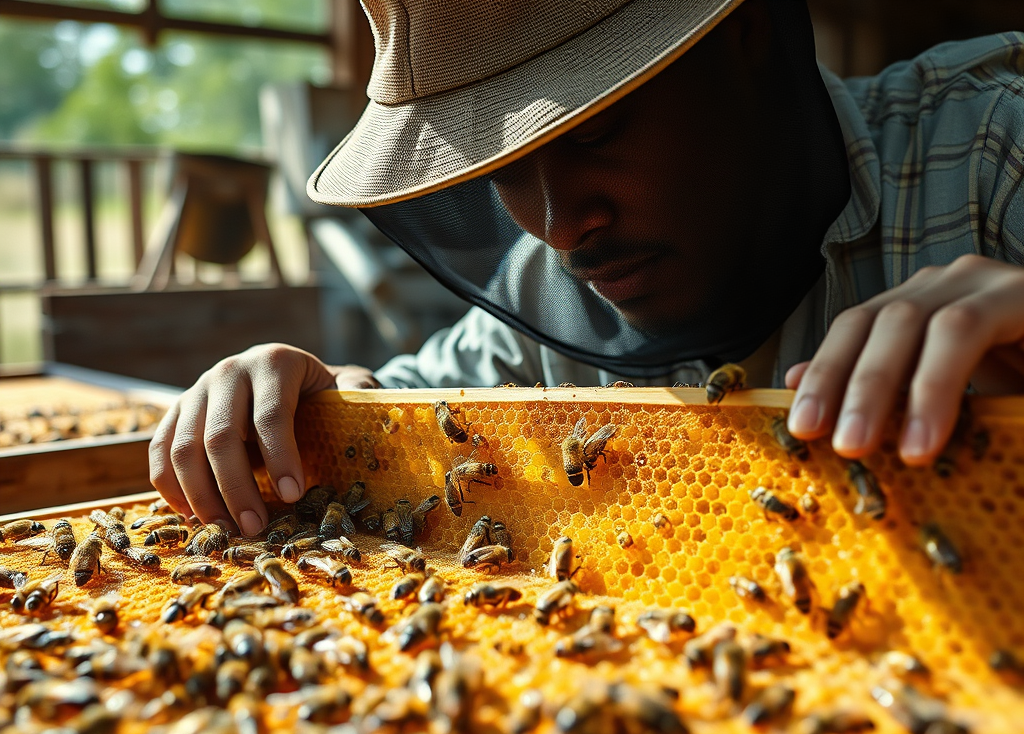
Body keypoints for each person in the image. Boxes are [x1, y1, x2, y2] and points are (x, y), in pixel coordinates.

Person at [151, 0, 1024, 537]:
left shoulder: (991, 153)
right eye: (500, 169)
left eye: (598, 131)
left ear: (746, 39)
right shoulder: (548, 289)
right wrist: (304, 398)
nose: (563, 229)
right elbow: (402, 405)